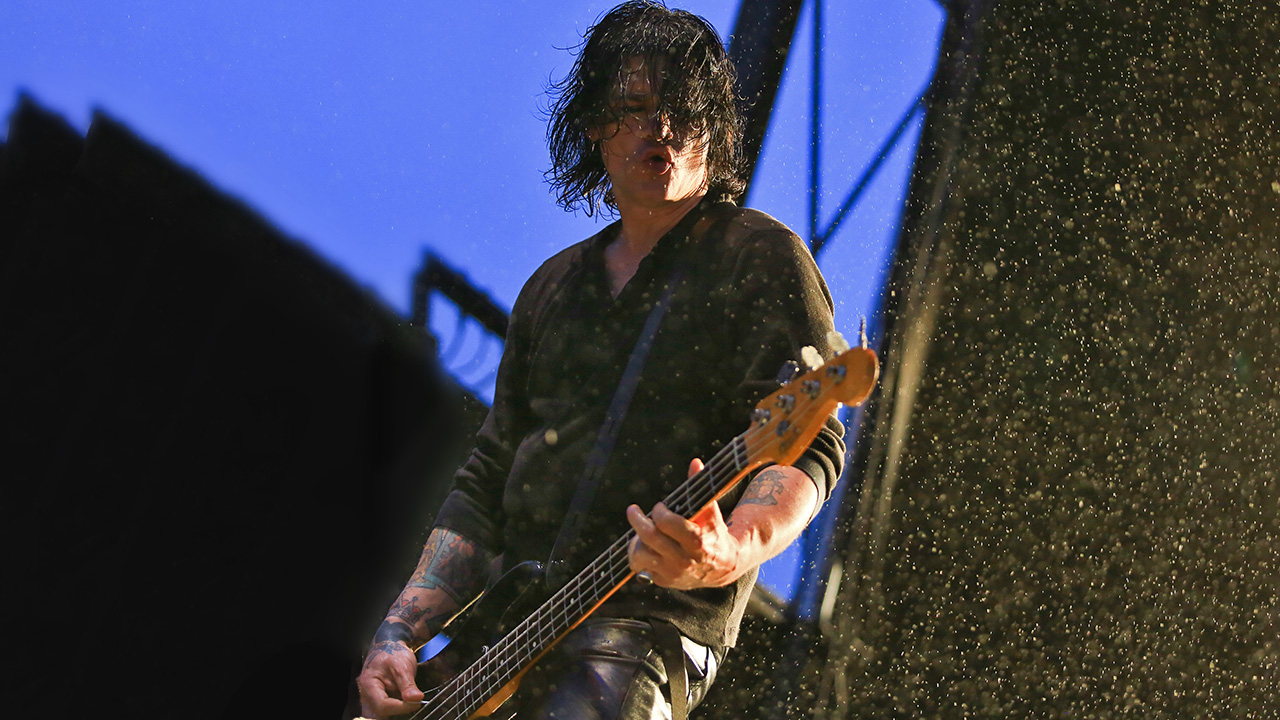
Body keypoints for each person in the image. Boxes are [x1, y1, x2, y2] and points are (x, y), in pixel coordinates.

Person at [356, 2, 845, 718]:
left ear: (718, 128)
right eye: (637, 107)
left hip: (644, 628)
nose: (663, 128)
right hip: (497, 637)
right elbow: (485, 481)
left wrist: (729, 551)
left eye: (684, 109)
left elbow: (808, 448)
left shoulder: (760, 258)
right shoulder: (552, 288)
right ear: (592, 125)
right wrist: (396, 635)